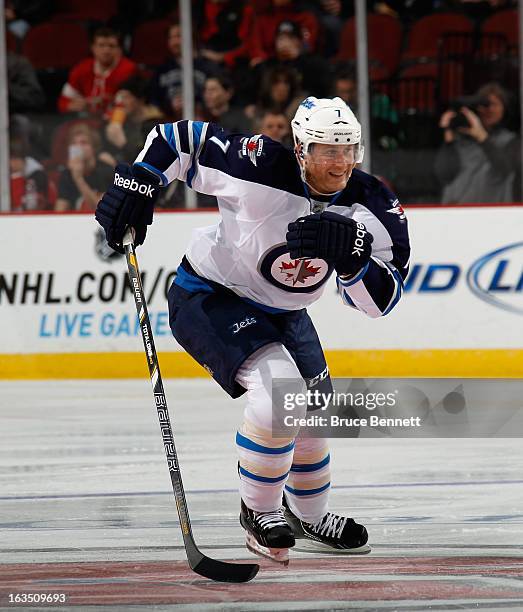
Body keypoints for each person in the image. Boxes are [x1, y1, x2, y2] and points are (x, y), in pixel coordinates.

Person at [95, 96, 410, 563]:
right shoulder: (259, 163)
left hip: (287, 313)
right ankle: (259, 514)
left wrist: (353, 258)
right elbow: (177, 139)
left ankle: (309, 516)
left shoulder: (374, 205)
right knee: (281, 394)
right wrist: (141, 179)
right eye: (327, 150)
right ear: (301, 149)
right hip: (210, 295)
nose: (341, 162)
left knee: (313, 416)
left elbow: (381, 303)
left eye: (349, 150)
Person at [434, 82, 519, 203]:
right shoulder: (461, 140)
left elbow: (505, 169)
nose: (488, 110)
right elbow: (443, 174)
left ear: (504, 108)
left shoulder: (510, 140)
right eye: (483, 105)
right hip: (454, 210)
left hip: (491, 214)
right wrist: (448, 136)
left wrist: (482, 137)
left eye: (494, 104)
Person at [58, 27, 137, 119]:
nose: (106, 51)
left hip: (118, 122)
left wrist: (107, 101)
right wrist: (76, 105)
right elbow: (63, 102)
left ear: (119, 49)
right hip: (86, 123)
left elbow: (131, 106)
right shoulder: (81, 69)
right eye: (101, 45)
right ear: (93, 48)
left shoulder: (128, 70)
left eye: (111, 46)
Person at [148, 21, 216, 121]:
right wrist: (170, 106)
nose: (174, 42)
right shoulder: (162, 70)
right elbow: (154, 101)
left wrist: (195, 104)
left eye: (178, 36)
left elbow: (218, 98)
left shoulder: (207, 67)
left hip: (202, 121)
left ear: (191, 37)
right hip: (171, 122)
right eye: (171, 38)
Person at [104, 76, 164, 164]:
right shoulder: (123, 124)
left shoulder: (156, 125)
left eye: (126, 97)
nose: (120, 102)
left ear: (140, 100)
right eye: (119, 98)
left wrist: (122, 143)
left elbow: (149, 160)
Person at [55, 123, 113, 211]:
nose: (78, 147)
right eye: (74, 143)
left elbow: (102, 210)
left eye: (84, 143)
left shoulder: (106, 171)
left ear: (93, 147)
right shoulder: (66, 174)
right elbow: (59, 211)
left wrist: (78, 179)